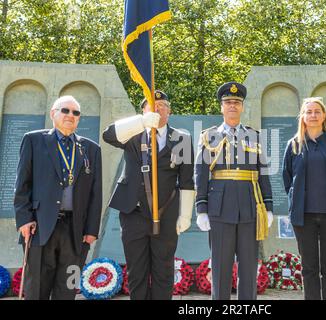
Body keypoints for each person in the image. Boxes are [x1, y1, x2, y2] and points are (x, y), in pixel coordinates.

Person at [102, 90, 195, 300]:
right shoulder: (132, 134)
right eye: (152, 105)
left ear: (169, 112)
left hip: (166, 213)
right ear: (143, 111)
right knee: (137, 271)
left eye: (162, 105)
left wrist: (186, 215)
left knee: (164, 271)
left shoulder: (182, 138)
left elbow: (187, 180)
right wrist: (141, 122)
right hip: (133, 212)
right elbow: (108, 134)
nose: (157, 108)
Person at [14, 95, 102, 300]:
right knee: (37, 288)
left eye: (76, 112)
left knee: (68, 287)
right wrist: (24, 219)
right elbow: (22, 184)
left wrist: (91, 230)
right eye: (65, 110)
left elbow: (95, 194)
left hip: (76, 231)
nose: (70, 115)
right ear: (53, 114)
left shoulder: (91, 149)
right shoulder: (33, 140)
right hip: (39, 226)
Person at [195, 81, 273, 300]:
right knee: (220, 266)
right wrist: (201, 208)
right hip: (219, 209)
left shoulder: (255, 136)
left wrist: (268, 206)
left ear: (242, 107)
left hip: (250, 207)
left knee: (249, 267)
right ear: (221, 107)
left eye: (236, 102)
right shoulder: (208, 136)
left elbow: (263, 173)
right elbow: (200, 173)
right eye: (228, 102)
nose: (232, 106)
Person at [282, 97, 326, 300]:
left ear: (324, 115)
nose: (313, 115)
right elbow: (287, 179)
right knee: (309, 268)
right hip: (304, 217)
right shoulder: (294, 144)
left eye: (317, 111)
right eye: (309, 111)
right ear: (302, 117)